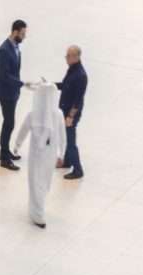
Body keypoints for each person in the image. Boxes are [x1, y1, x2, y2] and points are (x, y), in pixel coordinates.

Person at [21, 78, 61, 227]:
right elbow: (24, 130)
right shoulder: (56, 115)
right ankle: (37, 212)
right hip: (44, 156)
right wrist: (61, 152)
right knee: (38, 182)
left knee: (39, 183)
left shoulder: (51, 115)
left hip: (41, 157)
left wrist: (18, 144)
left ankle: (37, 210)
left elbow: (23, 131)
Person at [0, 19, 28, 168]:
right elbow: (4, 75)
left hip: (12, 91)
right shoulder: (4, 50)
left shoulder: (15, 46)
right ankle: (4, 158)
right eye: (22, 33)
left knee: (9, 123)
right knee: (9, 123)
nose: (24, 36)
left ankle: (6, 152)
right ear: (15, 32)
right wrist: (22, 83)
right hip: (5, 92)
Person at [57, 45, 87, 178]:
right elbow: (65, 86)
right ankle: (68, 161)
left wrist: (70, 116)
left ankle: (78, 170)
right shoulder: (72, 70)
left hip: (71, 113)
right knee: (66, 137)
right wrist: (52, 85)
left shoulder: (80, 75)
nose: (66, 58)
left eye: (68, 56)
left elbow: (77, 99)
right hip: (65, 110)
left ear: (76, 57)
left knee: (70, 141)